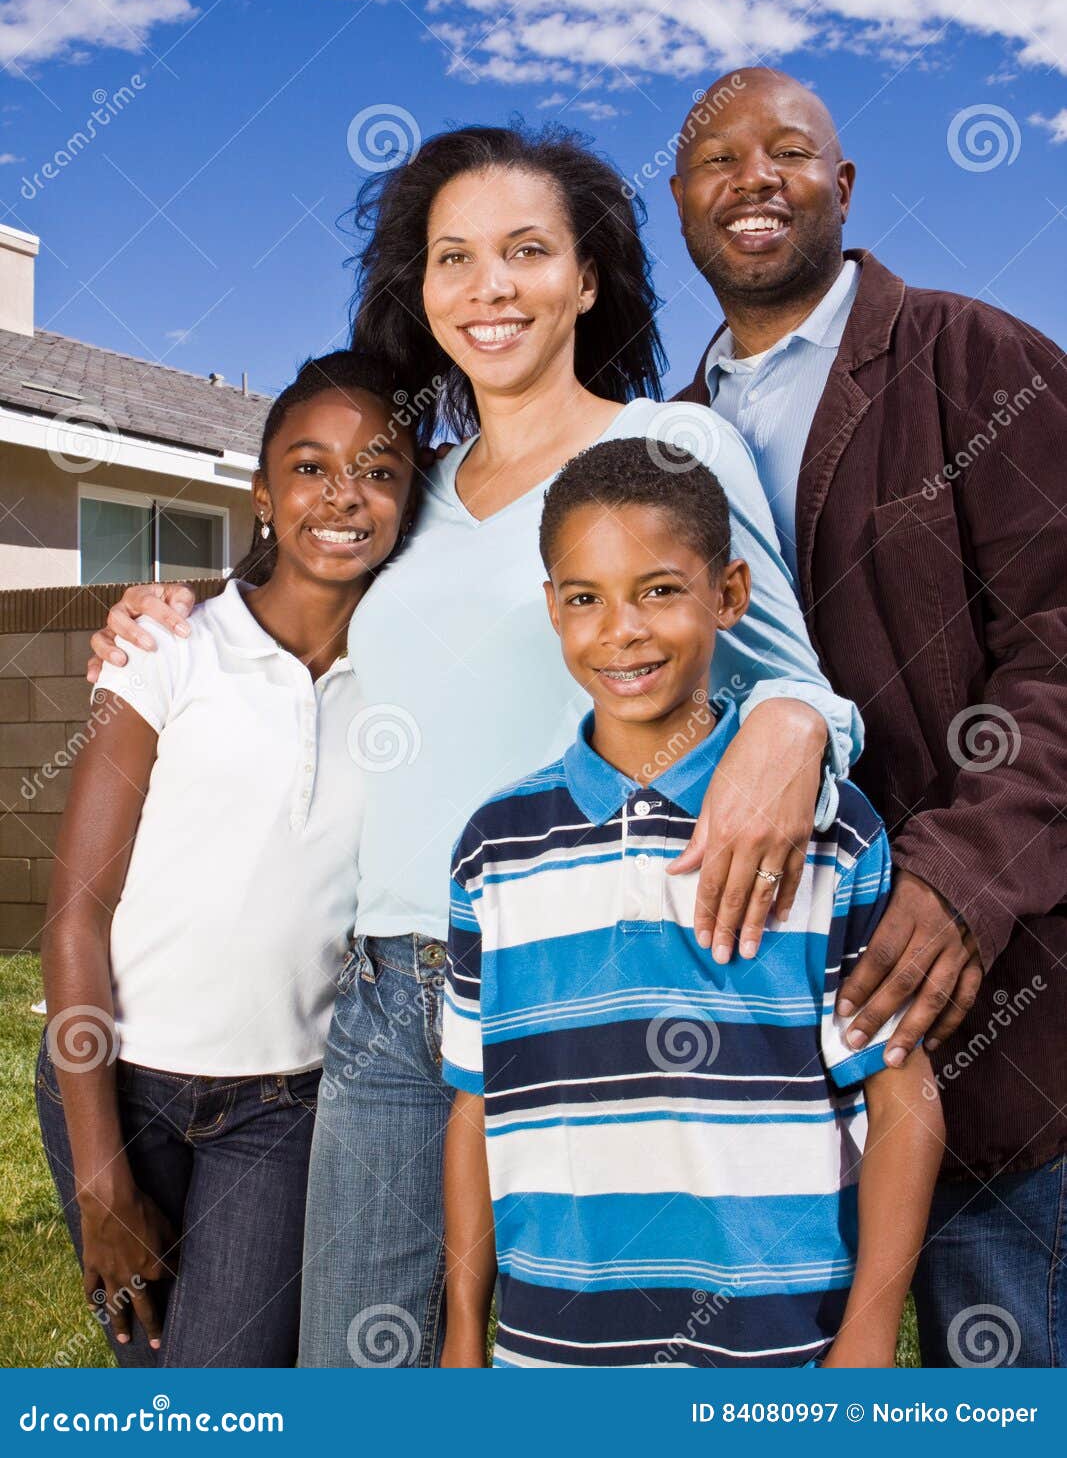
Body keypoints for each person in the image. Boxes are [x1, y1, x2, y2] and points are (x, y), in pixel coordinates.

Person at [83, 125, 861, 1367]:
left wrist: (785, 720)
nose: (488, 285)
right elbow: (294, 599)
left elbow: (804, 692)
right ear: (422, 288)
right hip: (389, 995)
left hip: (598, 962)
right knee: (360, 1367)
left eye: (525, 250)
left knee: (600, 1358)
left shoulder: (670, 447)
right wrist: (162, 605)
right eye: (454, 257)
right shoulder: (416, 488)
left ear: (588, 278)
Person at [669, 66, 1067, 1367]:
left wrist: (962, 874)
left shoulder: (979, 363)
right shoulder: (656, 449)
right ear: (679, 203)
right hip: (752, 1060)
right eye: (716, 159)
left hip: (987, 1032)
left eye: (786, 151)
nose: (751, 177)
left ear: (839, 187)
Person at [440, 440, 943, 1368]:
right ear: (552, 609)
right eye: (584, 598)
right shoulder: (493, 849)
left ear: (730, 594)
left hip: (777, 1355)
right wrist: (463, 1331)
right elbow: (476, 1106)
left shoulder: (827, 834)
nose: (620, 630)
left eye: (659, 589)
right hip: (549, 1354)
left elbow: (901, 1090)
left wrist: (871, 1335)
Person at [37, 352, 419, 1367]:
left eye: (378, 472)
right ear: (260, 490)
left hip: (283, 1109)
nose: (343, 496)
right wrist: (100, 1176)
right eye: (308, 467)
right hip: (117, 1088)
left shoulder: (409, 682)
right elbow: (75, 912)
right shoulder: (168, 647)